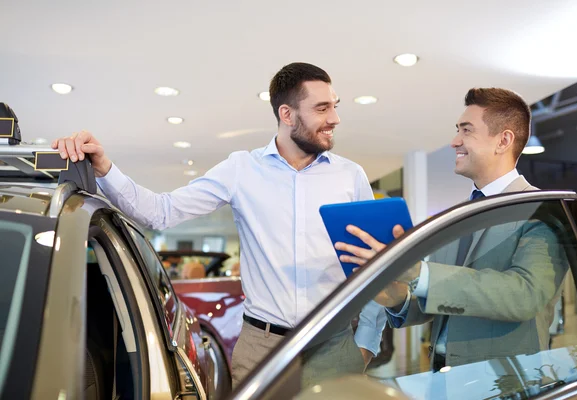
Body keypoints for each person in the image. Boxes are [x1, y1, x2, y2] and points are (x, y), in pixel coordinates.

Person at [53, 62, 386, 386]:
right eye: (323, 108)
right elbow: (161, 212)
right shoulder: (242, 169)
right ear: (287, 114)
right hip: (262, 350)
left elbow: (376, 264)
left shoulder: (349, 176)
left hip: (335, 347)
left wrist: (367, 343)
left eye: (335, 107)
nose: (335, 119)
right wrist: (105, 169)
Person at [334, 87, 569, 371]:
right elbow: (443, 298)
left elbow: (524, 295)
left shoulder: (542, 211)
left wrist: (421, 273)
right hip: (444, 379)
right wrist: (395, 298)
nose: (454, 141)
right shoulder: (460, 216)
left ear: (503, 141)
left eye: (466, 131)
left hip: (504, 384)